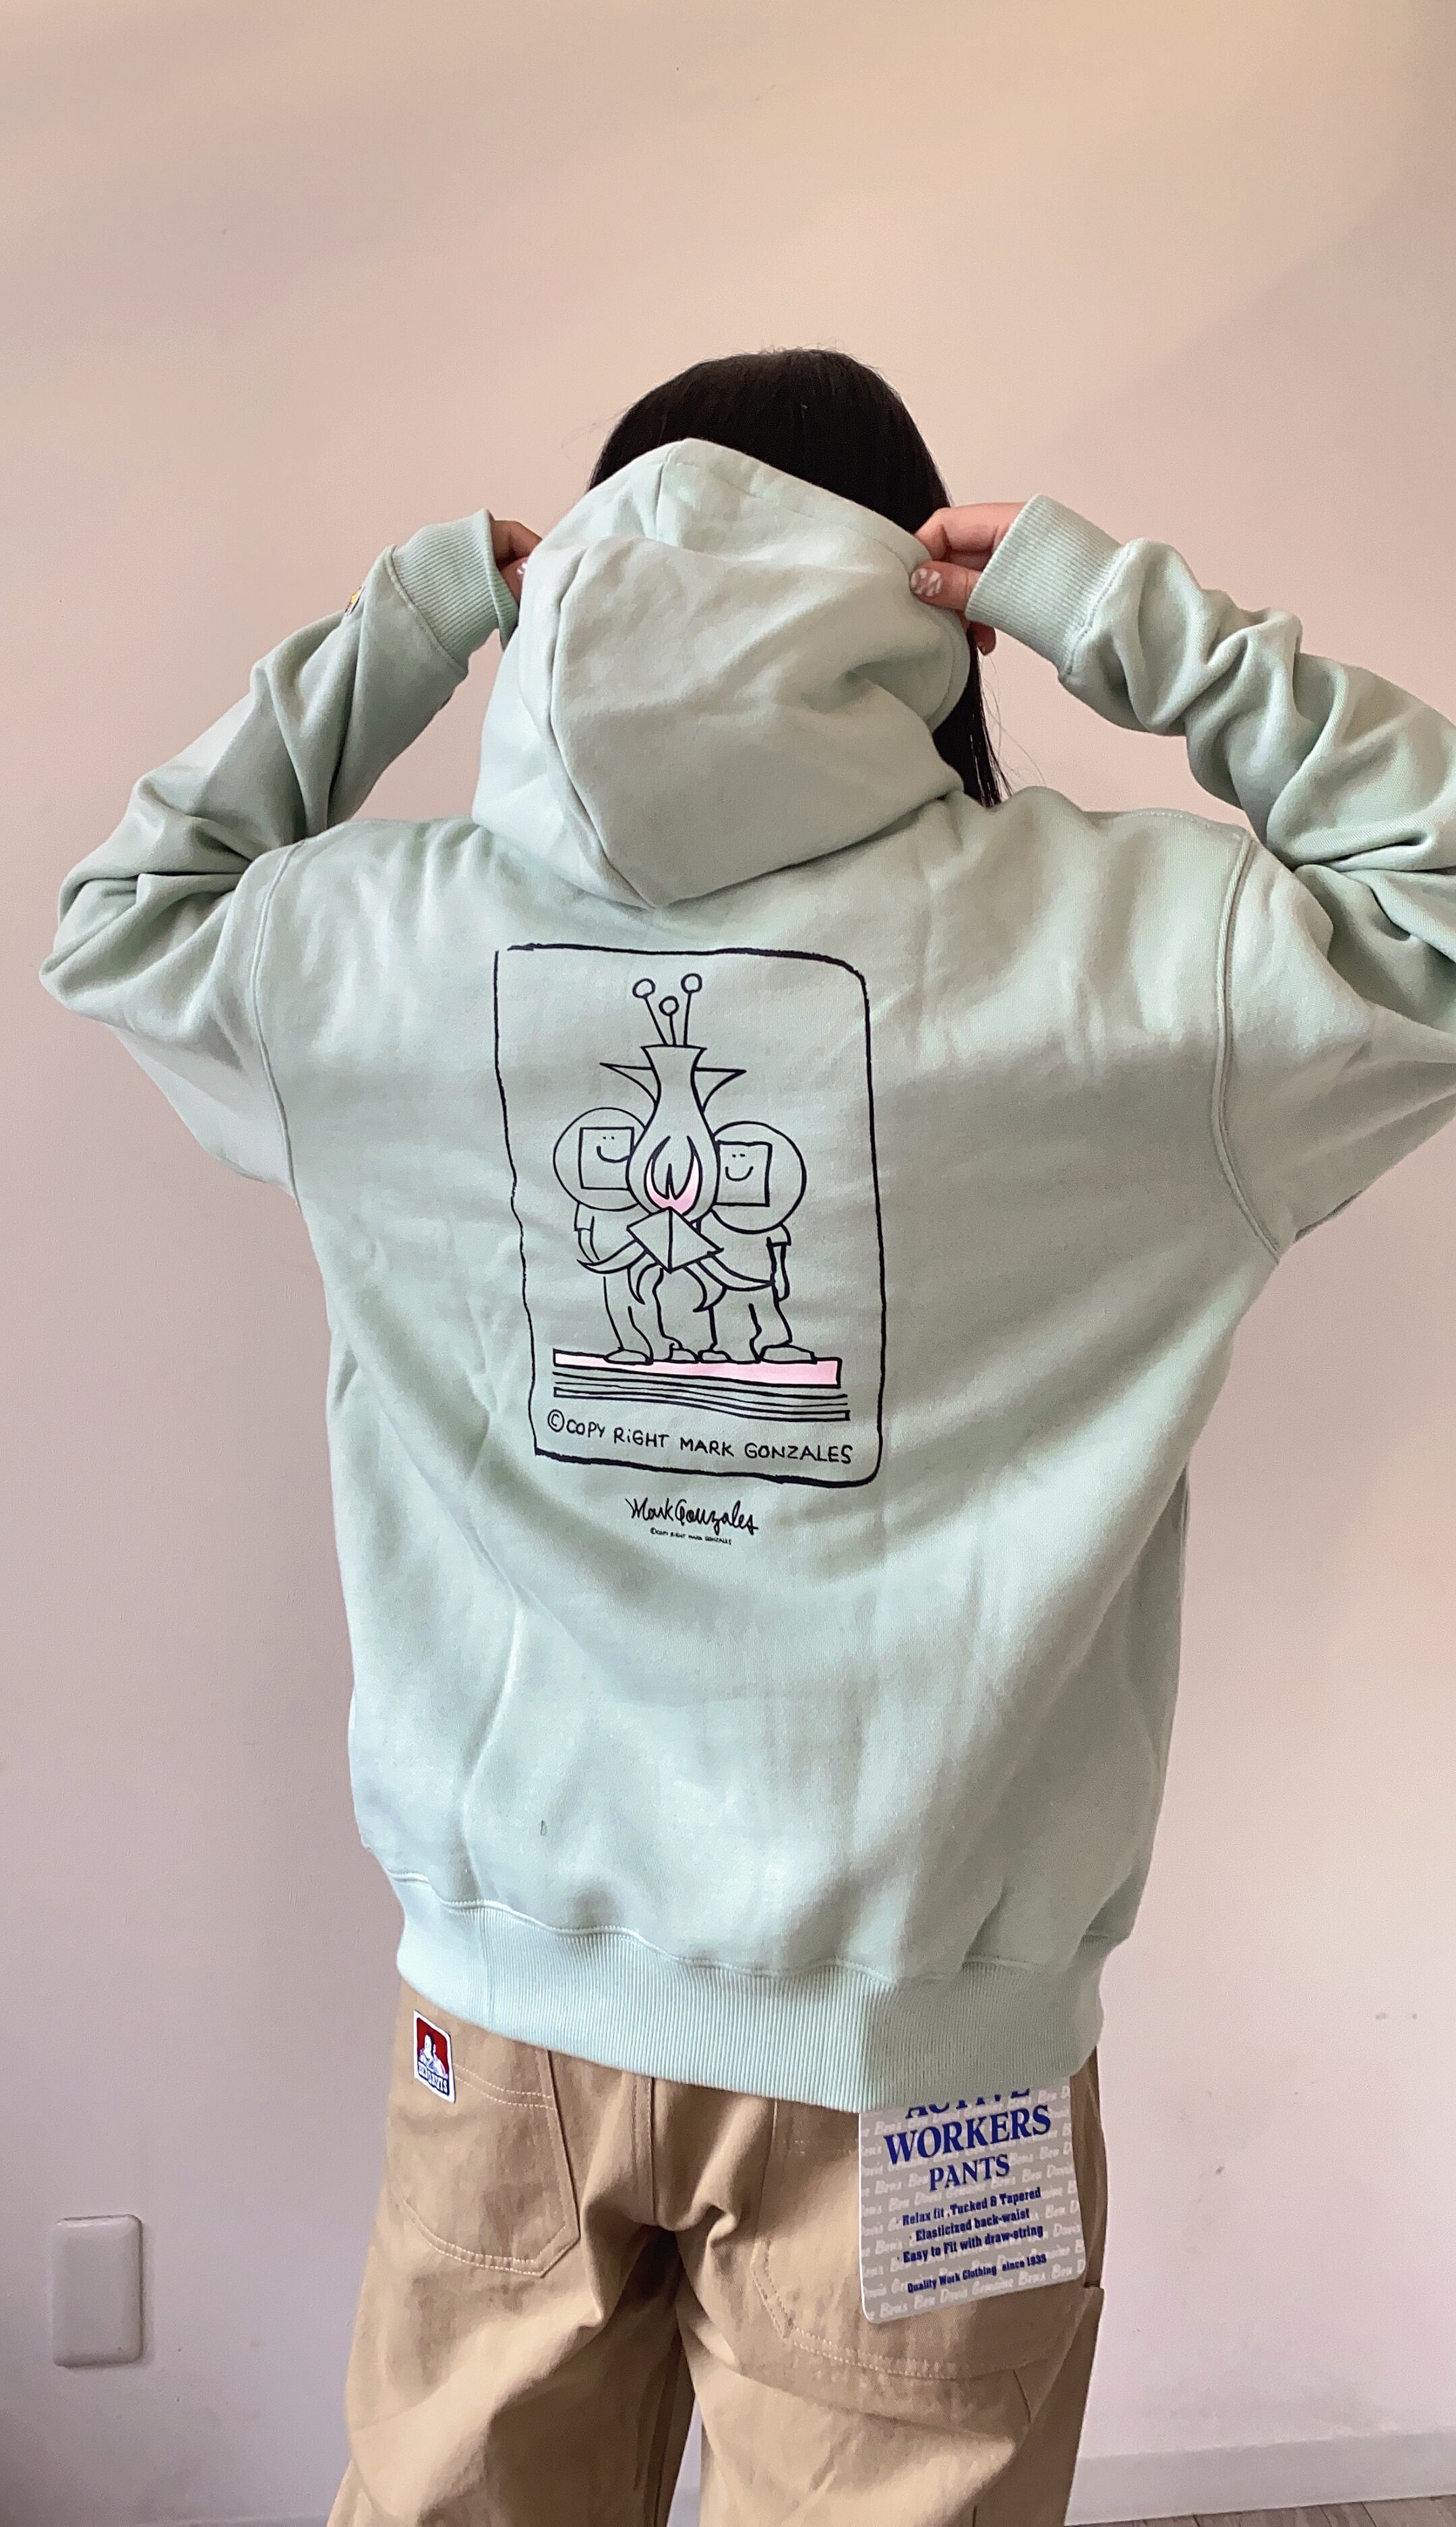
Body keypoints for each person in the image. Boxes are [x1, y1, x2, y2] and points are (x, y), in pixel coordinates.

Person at [42, 347, 1456, 2527]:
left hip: (505, 2029)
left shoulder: (378, 955)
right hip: (928, 2065)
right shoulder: (1128, 967)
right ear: (921, 598)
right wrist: (1121, 614)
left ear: (573, 580)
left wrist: (416, 613)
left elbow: (121, 919)